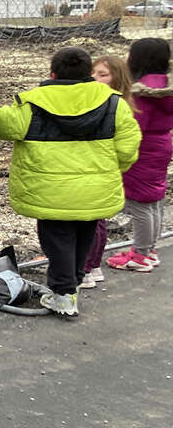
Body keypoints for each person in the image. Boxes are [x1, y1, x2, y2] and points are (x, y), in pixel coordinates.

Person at [0, 47, 140, 317]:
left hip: (50, 192)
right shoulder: (114, 103)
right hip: (93, 190)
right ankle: (72, 285)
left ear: (53, 73)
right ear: (88, 74)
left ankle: (63, 294)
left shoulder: (33, 103)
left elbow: (4, 125)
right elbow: (128, 148)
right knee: (85, 234)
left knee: (57, 239)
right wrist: (107, 170)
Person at [107, 38, 173, 274]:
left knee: (140, 203)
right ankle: (148, 250)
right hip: (161, 143)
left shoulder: (143, 90)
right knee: (154, 199)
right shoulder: (164, 84)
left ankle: (140, 255)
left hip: (143, 148)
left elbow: (134, 125)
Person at [81, 56, 132, 287]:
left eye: (103, 74)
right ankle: (92, 265)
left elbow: (126, 147)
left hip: (99, 171)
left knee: (92, 221)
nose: (95, 79)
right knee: (96, 220)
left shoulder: (115, 106)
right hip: (99, 171)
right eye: (93, 74)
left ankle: (86, 268)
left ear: (118, 80)